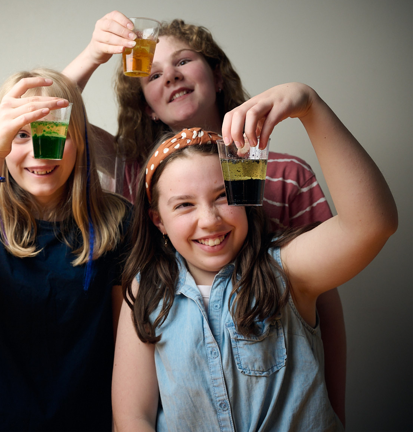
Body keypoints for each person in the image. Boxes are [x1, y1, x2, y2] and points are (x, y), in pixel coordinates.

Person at [63, 13, 346, 421]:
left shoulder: (286, 174)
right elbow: (52, 118)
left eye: (182, 62)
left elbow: (324, 301)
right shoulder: (132, 167)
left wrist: (335, 405)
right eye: (154, 75)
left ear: (216, 75)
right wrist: (93, 55)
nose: (171, 77)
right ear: (146, 108)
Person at [112, 81, 397, 429]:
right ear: (158, 221)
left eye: (222, 196)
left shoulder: (288, 268)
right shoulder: (146, 290)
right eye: (184, 205)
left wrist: (310, 107)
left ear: (244, 195)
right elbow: (132, 417)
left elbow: (373, 224)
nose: (209, 220)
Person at [0, 68, 130, 431]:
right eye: (20, 134)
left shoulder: (119, 221)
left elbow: (126, 351)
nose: (41, 150)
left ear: (80, 140)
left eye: (55, 132)